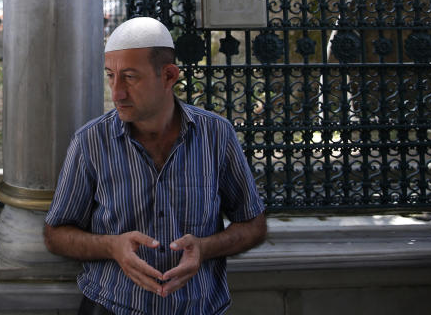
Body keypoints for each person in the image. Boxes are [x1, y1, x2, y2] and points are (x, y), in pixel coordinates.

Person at [44, 17, 266, 315]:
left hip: (198, 307)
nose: (117, 92)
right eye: (111, 76)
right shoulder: (90, 142)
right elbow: (55, 234)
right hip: (113, 306)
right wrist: (112, 246)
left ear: (169, 75)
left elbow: (253, 224)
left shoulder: (216, 135)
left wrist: (204, 248)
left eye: (130, 77)